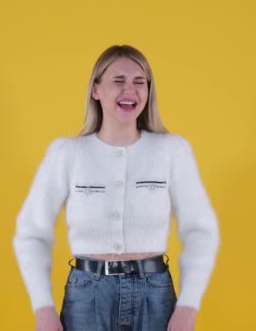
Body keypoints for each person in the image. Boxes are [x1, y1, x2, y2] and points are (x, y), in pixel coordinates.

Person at [13, 45, 220, 331]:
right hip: (87, 296)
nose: (130, 90)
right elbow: (31, 232)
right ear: (96, 89)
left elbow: (201, 230)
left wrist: (188, 306)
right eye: (118, 81)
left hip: (155, 296)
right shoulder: (67, 153)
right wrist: (43, 308)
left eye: (139, 82)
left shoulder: (172, 151)